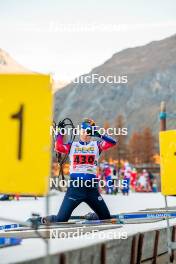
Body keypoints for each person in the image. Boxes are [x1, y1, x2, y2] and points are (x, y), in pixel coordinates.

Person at [29, 118, 117, 224]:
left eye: (89, 132)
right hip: (75, 189)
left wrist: (99, 134)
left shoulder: (97, 145)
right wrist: (60, 133)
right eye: (84, 131)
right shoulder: (72, 145)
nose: (86, 134)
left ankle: (93, 216)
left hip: (91, 189)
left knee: (106, 218)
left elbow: (113, 142)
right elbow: (59, 147)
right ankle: (40, 220)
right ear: (80, 131)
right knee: (61, 220)